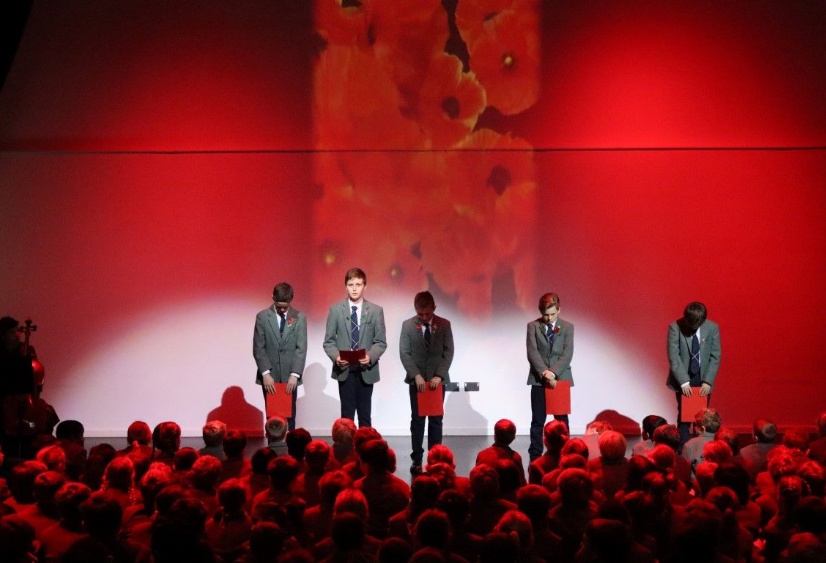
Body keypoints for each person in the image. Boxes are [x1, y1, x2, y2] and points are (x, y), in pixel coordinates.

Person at [323, 267, 387, 427]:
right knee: (346, 417)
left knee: (365, 416)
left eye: (358, 284)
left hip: (366, 369)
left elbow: (380, 342)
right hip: (345, 369)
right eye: (351, 284)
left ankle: (365, 449)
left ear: (365, 286)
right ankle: (347, 450)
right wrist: (337, 357)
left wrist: (370, 357)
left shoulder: (375, 311)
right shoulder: (336, 310)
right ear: (345, 286)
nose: (354, 288)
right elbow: (329, 341)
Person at [399, 291, 455, 474]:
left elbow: (448, 352)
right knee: (417, 420)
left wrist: (439, 375)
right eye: (420, 314)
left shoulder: (444, 325)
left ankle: (435, 457)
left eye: (427, 314)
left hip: (437, 382)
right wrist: (415, 375)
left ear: (434, 308)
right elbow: (404, 353)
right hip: (417, 382)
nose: (423, 318)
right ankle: (416, 458)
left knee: (436, 420)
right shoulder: (407, 326)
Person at [526, 292, 574, 461]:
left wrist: (553, 372)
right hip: (539, 380)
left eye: (552, 314)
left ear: (559, 310)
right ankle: (535, 454)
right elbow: (532, 352)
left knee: (561, 420)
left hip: (559, 379)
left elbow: (567, 354)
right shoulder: (532, 326)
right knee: (537, 420)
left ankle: (565, 452)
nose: (548, 318)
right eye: (545, 315)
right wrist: (545, 373)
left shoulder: (568, 327)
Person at [253, 282, 308, 430]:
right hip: (270, 377)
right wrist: (265, 373)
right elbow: (258, 347)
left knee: (290, 418)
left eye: (286, 306)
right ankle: (272, 450)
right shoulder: (263, 317)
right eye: (279, 306)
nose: (283, 309)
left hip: (290, 377)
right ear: (272, 297)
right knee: (273, 419)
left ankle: (290, 451)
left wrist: (295, 375)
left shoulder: (299, 318)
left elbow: (301, 348)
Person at [666, 301, 721, 447]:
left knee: (702, 417)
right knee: (684, 415)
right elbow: (674, 357)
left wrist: (708, 381)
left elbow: (715, 356)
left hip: (703, 378)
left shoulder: (712, 328)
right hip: (683, 377)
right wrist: (683, 381)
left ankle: (701, 447)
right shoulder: (675, 327)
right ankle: (684, 448)